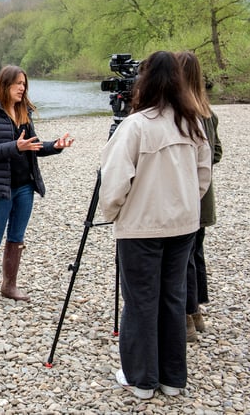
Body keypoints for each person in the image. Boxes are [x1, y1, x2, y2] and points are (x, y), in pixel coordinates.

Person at [98, 51, 212, 399]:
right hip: (182, 226)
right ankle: (173, 378)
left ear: (143, 83)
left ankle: (141, 379)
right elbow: (203, 175)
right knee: (173, 298)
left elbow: (115, 180)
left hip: (142, 227)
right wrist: (186, 203)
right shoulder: (191, 122)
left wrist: (113, 213)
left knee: (140, 301)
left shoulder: (136, 125)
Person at [0, 65, 74, 311]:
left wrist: (56, 145)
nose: (22, 88)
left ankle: (9, 286)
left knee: (16, 237)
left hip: (25, 186)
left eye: (24, 84)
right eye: (18, 83)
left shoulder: (23, 111)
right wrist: (16, 147)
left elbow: (33, 146)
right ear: (4, 85)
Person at [175, 51, 223, 342]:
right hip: (204, 199)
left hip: (186, 197)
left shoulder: (184, 114)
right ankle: (196, 314)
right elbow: (216, 153)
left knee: (184, 258)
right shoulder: (207, 111)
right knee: (195, 254)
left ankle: (187, 315)